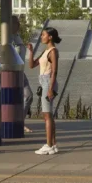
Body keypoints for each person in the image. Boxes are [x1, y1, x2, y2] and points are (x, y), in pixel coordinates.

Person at [27, 26, 61, 156]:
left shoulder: (53, 51)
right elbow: (31, 65)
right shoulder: (45, 51)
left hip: (48, 82)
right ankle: (53, 144)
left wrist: (51, 89)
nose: (42, 37)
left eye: (43, 35)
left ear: (50, 37)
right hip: (44, 82)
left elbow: (54, 71)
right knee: (48, 116)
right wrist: (31, 51)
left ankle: (48, 145)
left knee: (47, 115)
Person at [10, 15, 33, 133]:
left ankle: (20, 122)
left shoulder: (17, 37)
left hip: (21, 72)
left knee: (28, 96)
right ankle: (17, 122)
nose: (18, 25)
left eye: (18, 23)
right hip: (12, 73)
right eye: (15, 23)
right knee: (17, 98)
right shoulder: (9, 39)